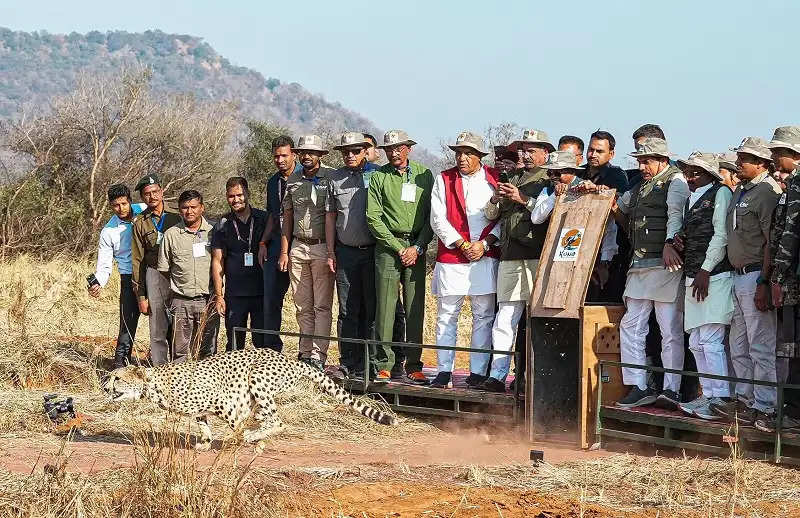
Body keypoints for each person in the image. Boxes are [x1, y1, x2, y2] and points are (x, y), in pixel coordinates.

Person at [612, 138, 690, 409]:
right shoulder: (639, 187)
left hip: (665, 262)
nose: (642, 166)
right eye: (640, 161)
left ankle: (672, 389)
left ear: (663, 160)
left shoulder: (675, 180)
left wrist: (670, 243)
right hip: (640, 263)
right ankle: (639, 384)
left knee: (669, 327)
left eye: (647, 161)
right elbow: (620, 212)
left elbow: (676, 214)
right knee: (631, 325)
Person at [710, 137, 781, 424]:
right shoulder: (741, 189)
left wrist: (764, 281)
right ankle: (745, 400)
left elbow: (770, 242)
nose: (739, 162)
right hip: (738, 276)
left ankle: (766, 406)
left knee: (760, 345)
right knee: (738, 345)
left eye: (746, 158)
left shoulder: (766, 191)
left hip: (754, 275)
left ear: (762, 163)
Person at [429, 131, 501, 390]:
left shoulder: (495, 178)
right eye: (459, 152)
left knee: (484, 315)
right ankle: (443, 370)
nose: (462, 158)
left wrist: (484, 244)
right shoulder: (444, 178)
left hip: (484, 254)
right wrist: (461, 243)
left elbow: (503, 219)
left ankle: (479, 371)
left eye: (468, 153)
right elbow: (437, 218)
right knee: (447, 314)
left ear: (480, 156)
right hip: (452, 256)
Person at [484, 129, 553, 390]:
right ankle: (497, 375)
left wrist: (522, 198)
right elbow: (491, 214)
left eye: (532, 150)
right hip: (510, 256)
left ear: (545, 152)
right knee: (505, 318)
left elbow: (546, 214)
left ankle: (533, 379)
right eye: (523, 150)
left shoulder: (549, 178)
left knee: (536, 320)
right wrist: (496, 197)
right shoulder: (511, 176)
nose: (525, 154)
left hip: (536, 256)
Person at [367, 129, 435, 385]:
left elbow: (432, 215)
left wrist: (417, 247)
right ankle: (385, 364)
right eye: (389, 149)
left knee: (415, 306)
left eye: (399, 147)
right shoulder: (379, 177)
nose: (394, 152)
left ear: (409, 148)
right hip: (388, 247)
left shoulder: (424, 174)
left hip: (416, 246)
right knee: (385, 307)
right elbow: (373, 217)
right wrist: (398, 247)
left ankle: (415, 364)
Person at [670, 152, 734, 420]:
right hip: (693, 275)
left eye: (696, 172)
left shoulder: (720, 193)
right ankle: (708, 395)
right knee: (696, 341)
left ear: (710, 173)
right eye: (688, 171)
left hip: (714, 276)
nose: (690, 176)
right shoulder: (690, 199)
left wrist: (706, 269)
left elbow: (721, 234)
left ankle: (720, 398)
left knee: (710, 339)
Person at [278, 135, 336, 370]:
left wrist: (331, 251)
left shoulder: (331, 177)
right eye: (303, 152)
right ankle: (304, 353)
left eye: (311, 152)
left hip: (322, 246)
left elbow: (333, 216)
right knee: (302, 305)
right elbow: (288, 216)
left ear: (321, 155)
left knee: (322, 305)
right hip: (298, 246)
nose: (306, 156)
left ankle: (318, 355)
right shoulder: (293, 179)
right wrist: (285, 251)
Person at [325, 132, 379, 381]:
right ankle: (348, 361)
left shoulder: (378, 174)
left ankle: (370, 362)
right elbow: (331, 216)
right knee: (347, 310)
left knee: (372, 309)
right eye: (346, 151)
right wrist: (330, 251)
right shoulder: (334, 178)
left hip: (373, 252)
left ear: (365, 151)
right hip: (345, 253)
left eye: (355, 151)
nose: (350, 155)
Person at [757, 126, 800, 432]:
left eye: (777, 152)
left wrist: (776, 275)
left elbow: (791, 232)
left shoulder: (797, 183)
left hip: (793, 279)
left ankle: (792, 413)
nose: (772, 157)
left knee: (792, 348)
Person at [89, 184, 147, 369]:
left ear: (130, 200)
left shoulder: (145, 211)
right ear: (111, 206)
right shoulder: (109, 231)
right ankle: (120, 368)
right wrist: (98, 283)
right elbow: (104, 265)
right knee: (127, 326)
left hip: (152, 273)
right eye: (116, 205)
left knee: (163, 322)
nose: (121, 209)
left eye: (124, 203)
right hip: (128, 278)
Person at [157, 190, 219, 362]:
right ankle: (179, 387)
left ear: (202, 208)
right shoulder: (171, 235)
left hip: (208, 300)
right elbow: (164, 268)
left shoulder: (214, 232)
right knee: (179, 353)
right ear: (179, 210)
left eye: (193, 207)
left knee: (208, 353)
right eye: (185, 207)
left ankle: (206, 387)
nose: (189, 211)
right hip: (181, 301)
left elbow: (222, 263)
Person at [212, 177, 268, 351]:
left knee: (262, 343)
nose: (236, 200)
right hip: (235, 294)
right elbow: (217, 261)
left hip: (261, 291)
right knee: (235, 344)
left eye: (240, 195)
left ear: (247, 194)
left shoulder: (263, 218)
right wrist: (219, 296)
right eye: (231, 196)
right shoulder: (222, 224)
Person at [131, 173, 182, 365]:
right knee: (157, 325)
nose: (152, 197)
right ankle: (160, 369)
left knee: (180, 324)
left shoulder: (177, 216)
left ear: (162, 191)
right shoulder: (140, 222)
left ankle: (180, 369)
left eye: (155, 192)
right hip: (153, 274)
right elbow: (138, 259)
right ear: (142, 197)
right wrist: (141, 296)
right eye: (147, 194)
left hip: (177, 274)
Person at [258, 135, 302, 352]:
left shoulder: (305, 176)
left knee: (305, 302)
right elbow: (272, 216)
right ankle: (271, 349)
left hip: (302, 243)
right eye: (276, 156)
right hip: (276, 244)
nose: (280, 160)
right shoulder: (273, 181)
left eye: (284, 155)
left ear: (294, 154)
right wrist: (263, 242)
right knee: (271, 298)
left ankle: (308, 352)